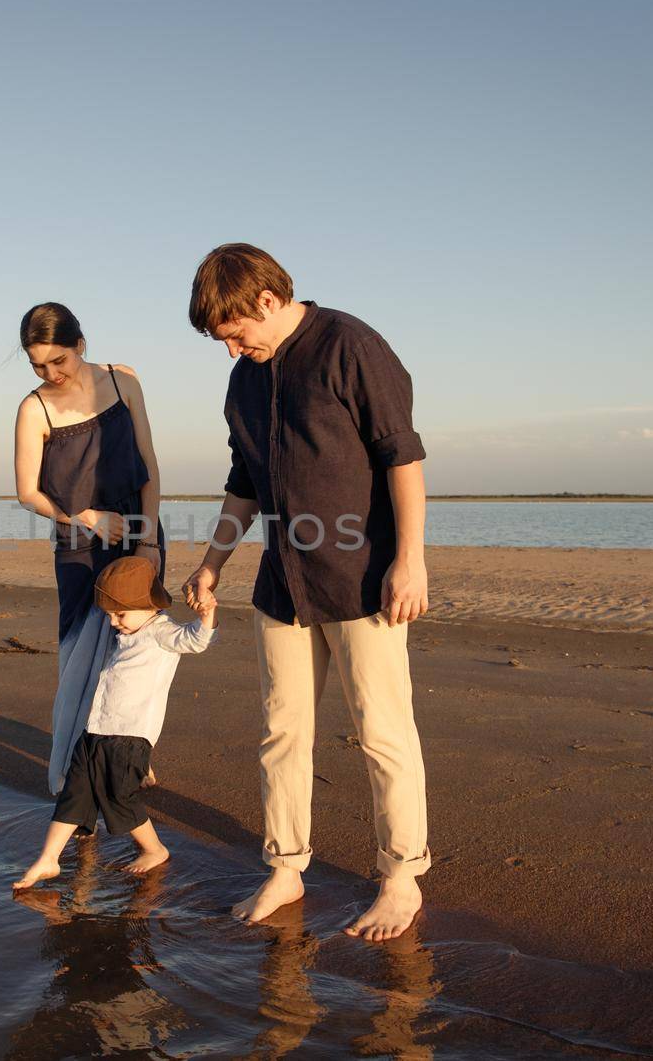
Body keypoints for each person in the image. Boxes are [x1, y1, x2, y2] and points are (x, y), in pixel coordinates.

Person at [181, 243, 433, 942]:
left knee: (382, 732)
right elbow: (244, 483)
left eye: (235, 333)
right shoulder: (244, 382)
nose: (232, 350)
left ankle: (401, 877)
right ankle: (286, 866)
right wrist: (212, 563)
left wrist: (410, 560)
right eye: (221, 341)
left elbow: (402, 454)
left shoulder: (352, 345)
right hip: (281, 585)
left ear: (266, 300)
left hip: (362, 580)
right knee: (281, 731)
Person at [12, 303, 166, 798]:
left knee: (140, 650)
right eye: (38, 365)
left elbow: (149, 463)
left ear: (81, 344)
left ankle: (133, 755)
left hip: (139, 528)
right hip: (78, 539)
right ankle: (78, 761)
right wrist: (85, 517)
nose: (50, 373)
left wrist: (146, 542)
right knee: (80, 652)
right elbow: (27, 493)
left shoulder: (124, 383)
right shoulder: (33, 408)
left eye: (59, 360)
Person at [14, 556, 217, 889]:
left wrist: (206, 614)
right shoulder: (127, 627)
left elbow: (195, 640)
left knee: (119, 795)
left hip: (129, 735)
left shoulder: (160, 631)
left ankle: (154, 850)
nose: (113, 622)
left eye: (119, 614)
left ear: (147, 606)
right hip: (95, 729)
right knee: (74, 793)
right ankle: (47, 859)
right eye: (109, 614)